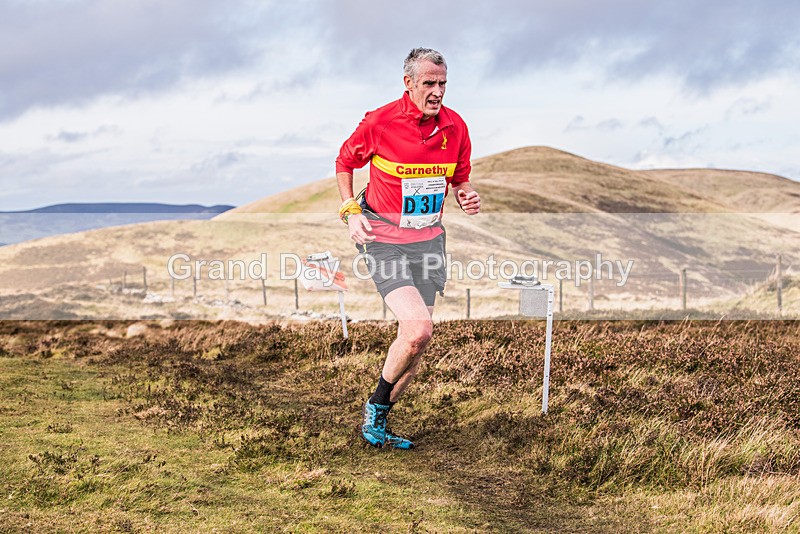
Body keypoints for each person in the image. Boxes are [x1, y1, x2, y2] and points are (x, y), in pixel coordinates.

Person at [335, 48, 481, 449]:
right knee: (418, 327)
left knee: (418, 343)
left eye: (443, 84)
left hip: (429, 241)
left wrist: (466, 195)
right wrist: (350, 212)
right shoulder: (380, 122)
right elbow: (345, 161)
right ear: (409, 83)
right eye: (429, 83)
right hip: (384, 240)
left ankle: (378, 422)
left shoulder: (457, 127)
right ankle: (375, 411)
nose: (437, 92)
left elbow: (460, 179)